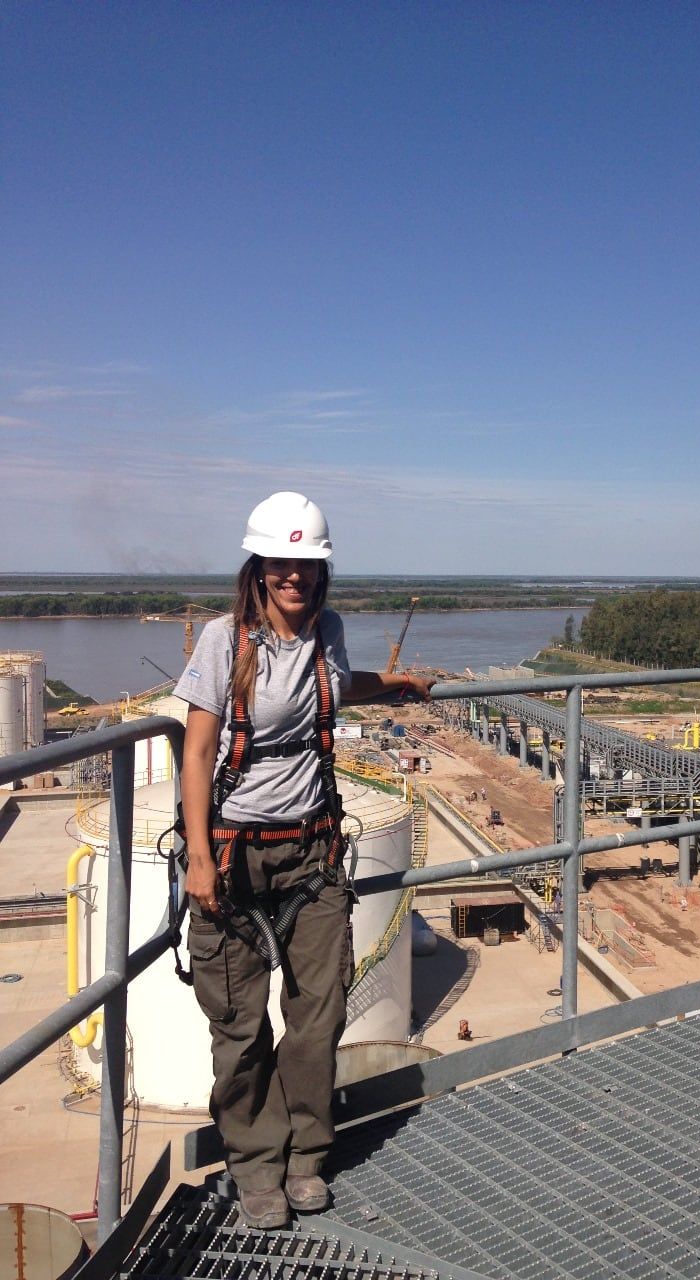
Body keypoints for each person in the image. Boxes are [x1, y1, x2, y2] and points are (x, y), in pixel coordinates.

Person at [174, 491, 433, 1229]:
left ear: (321, 575)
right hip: (233, 859)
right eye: (282, 565)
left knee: (317, 1017)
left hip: (314, 852)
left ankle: (305, 1157)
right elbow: (195, 751)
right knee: (240, 1026)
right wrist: (198, 855)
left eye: (308, 566)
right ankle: (257, 1167)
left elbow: (335, 689)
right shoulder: (225, 642)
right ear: (258, 567)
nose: (296, 577)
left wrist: (399, 684)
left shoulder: (329, 632)